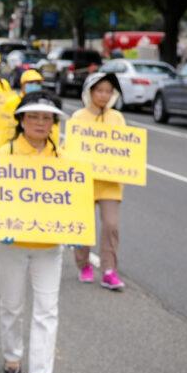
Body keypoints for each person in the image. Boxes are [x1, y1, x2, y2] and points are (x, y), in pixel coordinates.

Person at [0, 91, 69, 373]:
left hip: (49, 245)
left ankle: (42, 372)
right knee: (12, 304)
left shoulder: (64, 159)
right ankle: (12, 354)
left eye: (46, 117)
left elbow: (73, 201)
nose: (40, 123)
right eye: (34, 116)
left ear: (54, 123)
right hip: (11, 243)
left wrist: (75, 227)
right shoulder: (4, 154)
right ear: (21, 120)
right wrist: (0, 223)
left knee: (47, 308)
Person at [68, 71, 127, 290]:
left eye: (108, 91)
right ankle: (83, 265)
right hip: (84, 182)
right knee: (83, 225)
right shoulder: (78, 117)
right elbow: (71, 148)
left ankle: (109, 270)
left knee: (111, 226)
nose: (103, 95)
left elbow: (126, 149)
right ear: (90, 92)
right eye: (99, 90)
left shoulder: (117, 118)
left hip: (110, 182)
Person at [0, 68, 43, 138]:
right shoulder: (11, 102)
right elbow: (0, 126)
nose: (34, 85)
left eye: (37, 83)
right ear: (22, 84)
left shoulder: (42, 105)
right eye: (31, 83)